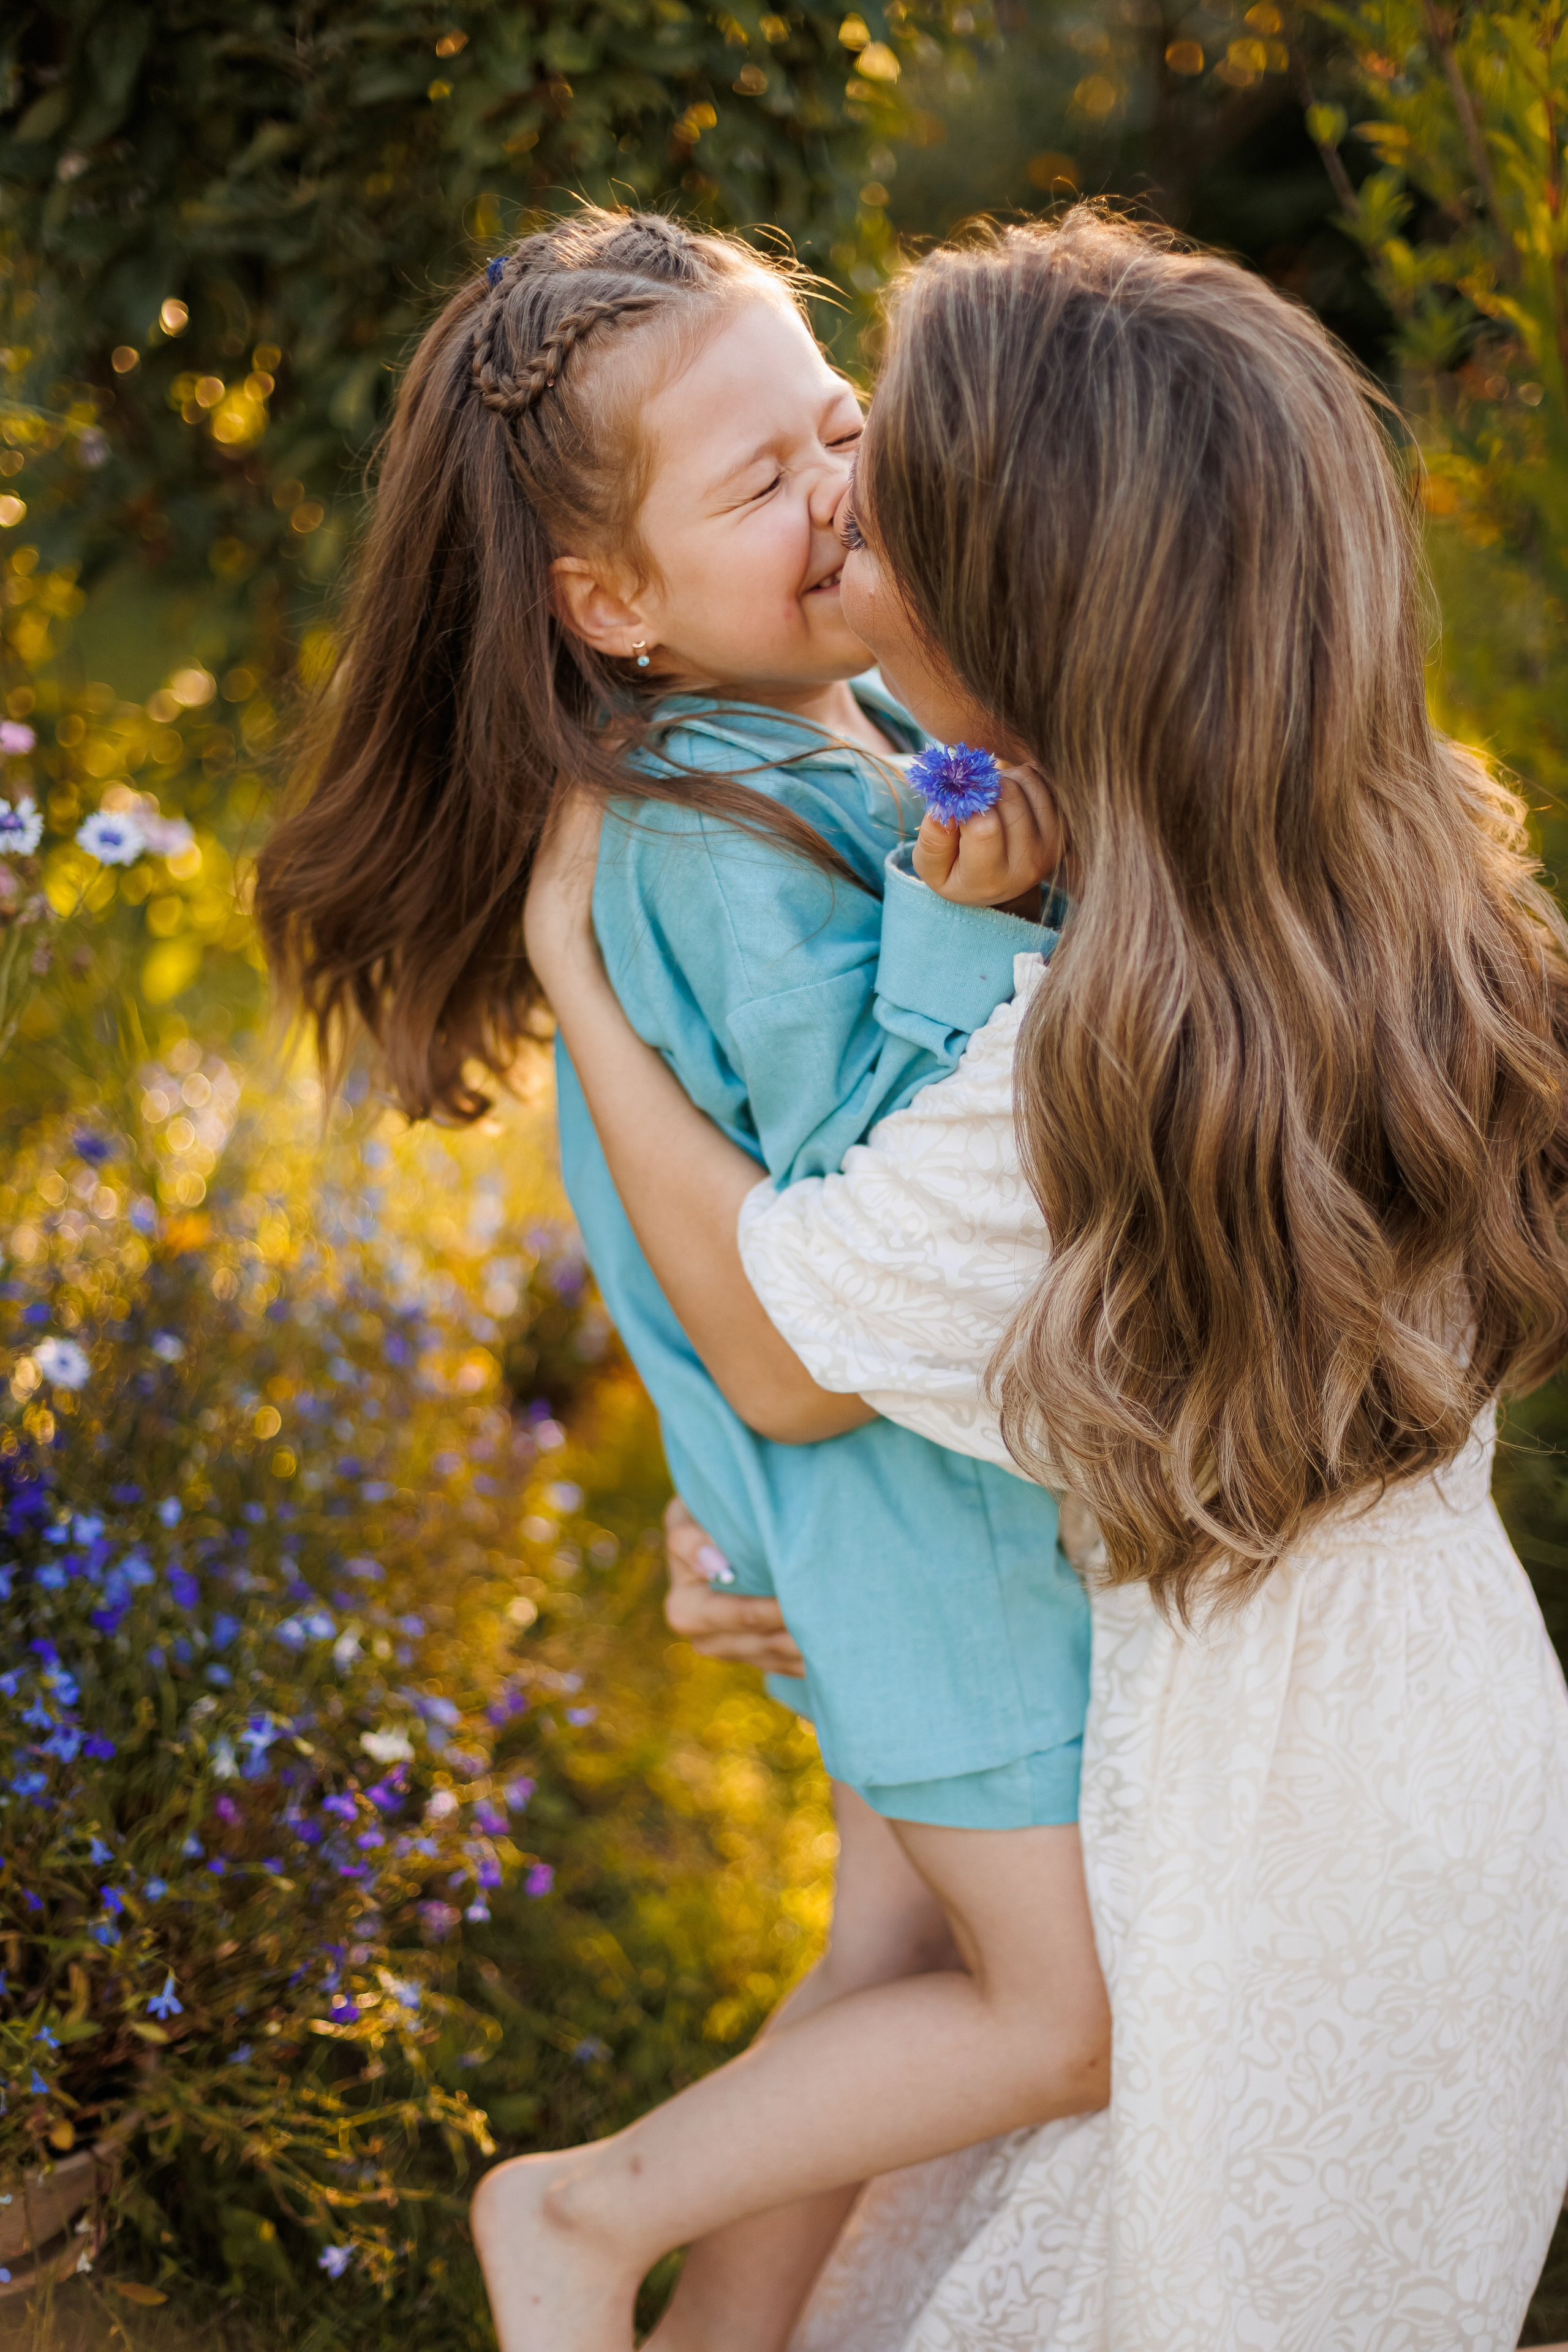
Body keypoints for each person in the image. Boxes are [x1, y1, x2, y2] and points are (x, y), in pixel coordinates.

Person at [524, 208, 1568, 2349]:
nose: (838, 515)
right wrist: (768, 1537)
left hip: (1257, 1840)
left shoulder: (1068, 1064)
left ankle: (584, 2228)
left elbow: (787, 1352)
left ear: (1030, 617)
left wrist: (575, 987)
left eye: (871, 476)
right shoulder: (1362, 900)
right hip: (1449, 1752)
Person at [254, 205, 1109, 2352]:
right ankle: (579, 2210)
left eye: (835, 423)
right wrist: (966, 925)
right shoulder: (708, 831)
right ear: (611, 604)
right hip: (921, 1531)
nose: (838, 487)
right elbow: (859, 1229)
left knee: (887, 1971)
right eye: (760, 483)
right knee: (1058, 2009)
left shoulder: (811, 735)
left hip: (867, 1512)